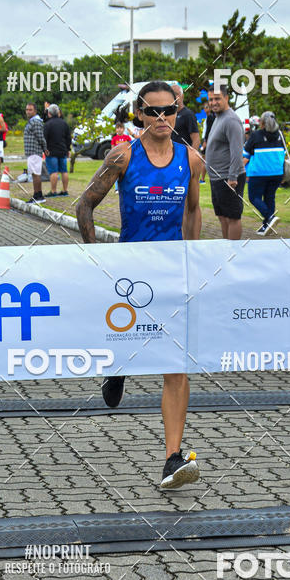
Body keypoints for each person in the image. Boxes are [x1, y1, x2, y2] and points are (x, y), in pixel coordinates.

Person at [76, 80, 204, 490]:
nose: (163, 119)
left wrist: (193, 259)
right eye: (154, 112)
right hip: (130, 274)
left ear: (177, 113)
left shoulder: (190, 159)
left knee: (176, 366)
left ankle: (172, 458)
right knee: (128, 339)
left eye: (170, 111)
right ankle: (118, 366)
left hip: (172, 274)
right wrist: (97, 257)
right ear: (141, 115)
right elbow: (84, 206)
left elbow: (194, 210)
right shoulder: (122, 156)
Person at [205, 84, 246, 240]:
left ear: (226, 98)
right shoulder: (218, 118)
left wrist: (233, 176)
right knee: (222, 216)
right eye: (211, 99)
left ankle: (233, 253)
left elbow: (237, 150)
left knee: (233, 217)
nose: (213, 102)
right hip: (217, 178)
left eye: (217, 98)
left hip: (229, 178)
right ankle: (226, 247)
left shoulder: (231, 120)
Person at [243, 110, 285, 236]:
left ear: (261, 123)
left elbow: (245, 155)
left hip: (259, 173)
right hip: (277, 173)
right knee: (269, 197)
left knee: (254, 197)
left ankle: (270, 217)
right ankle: (267, 226)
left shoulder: (256, 135)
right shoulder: (280, 135)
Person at [43, 104, 71, 197]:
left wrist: (45, 149)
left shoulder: (48, 124)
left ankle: (53, 191)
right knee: (64, 171)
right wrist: (68, 149)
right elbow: (68, 138)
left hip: (51, 152)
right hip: (63, 150)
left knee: (53, 172)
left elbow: (44, 138)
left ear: (49, 113)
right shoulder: (64, 123)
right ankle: (65, 190)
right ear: (58, 112)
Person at [24, 101, 48, 204]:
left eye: (30, 110)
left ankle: (38, 195)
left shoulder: (36, 122)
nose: (28, 112)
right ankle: (37, 194)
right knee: (34, 174)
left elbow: (41, 137)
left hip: (35, 151)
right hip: (31, 152)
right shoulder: (32, 121)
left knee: (36, 174)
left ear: (35, 111)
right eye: (27, 110)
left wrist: (45, 149)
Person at [171, 84, 200, 151]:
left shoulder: (188, 114)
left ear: (182, 96)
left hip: (184, 156)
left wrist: (191, 157)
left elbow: (196, 139)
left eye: (177, 94)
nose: (175, 97)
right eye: (172, 94)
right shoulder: (169, 114)